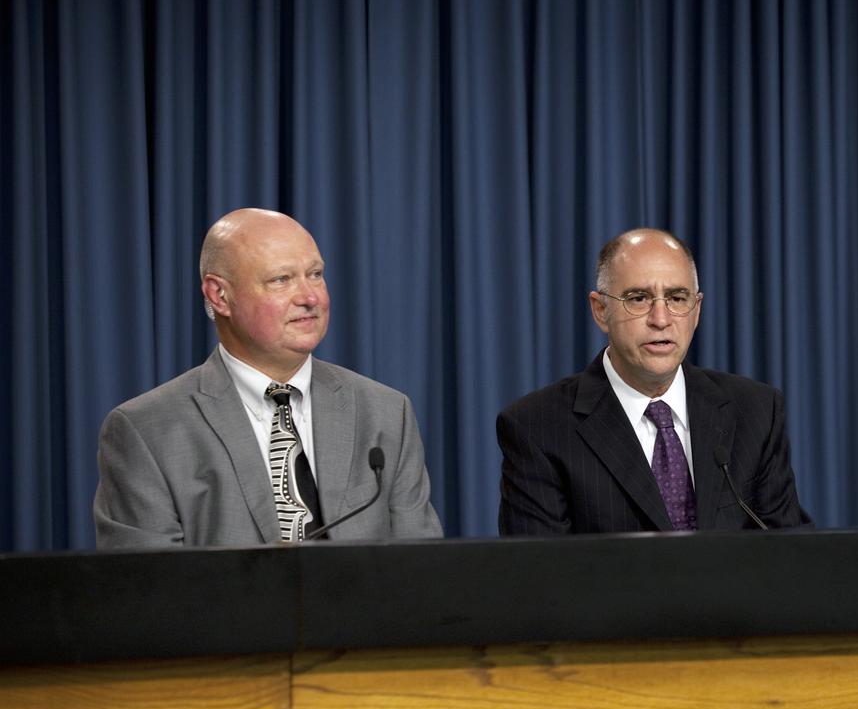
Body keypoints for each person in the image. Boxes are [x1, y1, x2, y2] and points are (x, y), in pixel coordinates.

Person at [94, 208, 443, 547]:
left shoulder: (385, 412)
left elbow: (419, 576)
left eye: (316, 274)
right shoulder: (147, 431)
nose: (310, 297)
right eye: (281, 279)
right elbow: (145, 593)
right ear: (220, 296)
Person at [497, 228, 810, 534]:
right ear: (600, 310)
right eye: (638, 299)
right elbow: (540, 579)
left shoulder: (755, 410)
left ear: (696, 310)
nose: (661, 319)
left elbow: (788, 555)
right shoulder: (538, 427)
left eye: (676, 298)